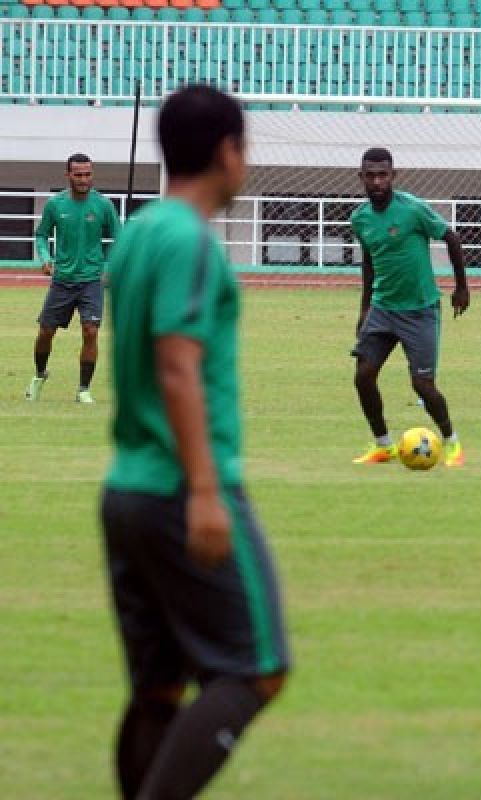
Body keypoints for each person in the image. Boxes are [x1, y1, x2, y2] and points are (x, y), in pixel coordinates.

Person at [101, 85, 289, 800]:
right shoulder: (188, 241)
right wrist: (206, 491)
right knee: (255, 668)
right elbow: (177, 364)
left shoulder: (142, 231)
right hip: (182, 488)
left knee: (158, 688)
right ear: (226, 151)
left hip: (127, 488)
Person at [350, 147, 470, 466]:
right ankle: (384, 445)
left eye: (383, 175)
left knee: (423, 385)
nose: (377, 181)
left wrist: (461, 287)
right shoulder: (359, 219)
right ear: (361, 178)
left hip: (420, 309)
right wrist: (364, 309)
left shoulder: (413, 209)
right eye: (370, 176)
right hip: (382, 307)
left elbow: (452, 238)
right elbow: (368, 262)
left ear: (393, 176)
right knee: (363, 375)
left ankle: (452, 443)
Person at [26, 153, 121, 404]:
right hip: (62, 280)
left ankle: (83, 390)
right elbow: (41, 235)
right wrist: (45, 258)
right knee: (46, 332)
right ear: (67, 175)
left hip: (92, 281)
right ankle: (38, 376)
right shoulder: (55, 205)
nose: (83, 179)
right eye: (78, 174)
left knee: (90, 332)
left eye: (87, 174)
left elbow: (121, 240)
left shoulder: (103, 205)